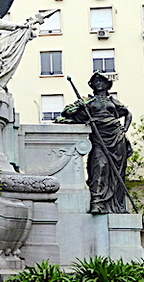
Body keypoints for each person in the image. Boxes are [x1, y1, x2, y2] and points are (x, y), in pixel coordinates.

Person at [56, 73, 133, 214]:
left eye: (100, 81)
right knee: (99, 165)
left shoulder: (113, 101)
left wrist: (124, 129)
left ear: (107, 84)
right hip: (98, 136)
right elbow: (66, 112)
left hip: (116, 137)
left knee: (117, 171)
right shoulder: (87, 100)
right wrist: (78, 108)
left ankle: (116, 204)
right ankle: (97, 202)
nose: (98, 83)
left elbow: (128, 114)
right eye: (95, 81)